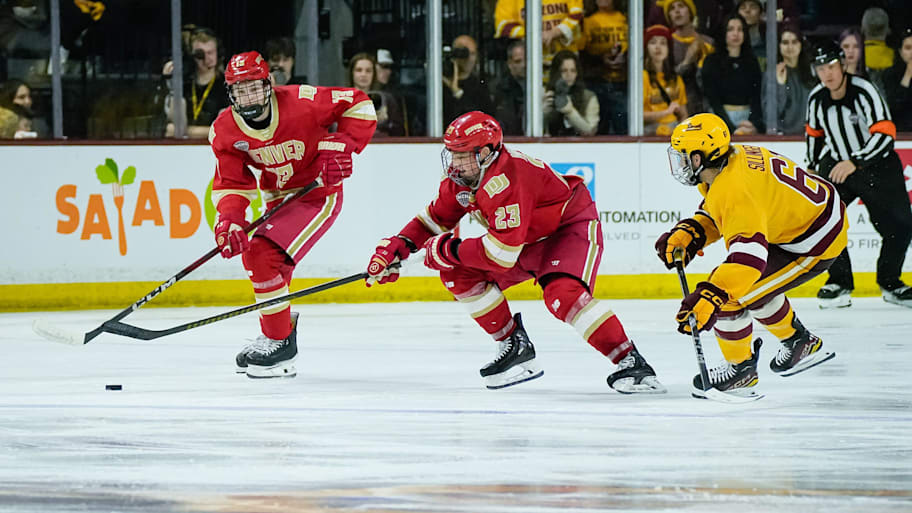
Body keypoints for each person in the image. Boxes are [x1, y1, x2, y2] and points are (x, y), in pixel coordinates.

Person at [364, 111, 665, 394]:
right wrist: (396, 248)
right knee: (456, 273)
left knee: (563, 295)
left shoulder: (506, 180)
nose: (455, 164)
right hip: (524, 240)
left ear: (485, 152)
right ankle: (514, 346)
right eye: (452, 154)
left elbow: (502, 255)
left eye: (463, 155)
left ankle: (632, 363)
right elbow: (432, 219)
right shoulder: (462, 180)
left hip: (566, 229)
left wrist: (446, 249)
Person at [211, 51, 377, 378]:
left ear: (269, 84)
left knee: (262, 255)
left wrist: (341, 145)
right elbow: (232, 182)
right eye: (239, 91)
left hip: (317, 194)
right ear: (231, 94)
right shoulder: (224, 129)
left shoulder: (303, 102)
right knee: (267, 263)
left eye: (254, 88)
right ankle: (277, 332)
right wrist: (229, 219)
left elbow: (360, 104)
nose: (248, 98)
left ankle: (279, 342)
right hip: (278, 199)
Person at [656, 113, 844, 398]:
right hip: (802, 222)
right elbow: (720, 208)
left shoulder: (736, 188)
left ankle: (741, 370)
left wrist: (710, 297)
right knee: (748, 288)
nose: (679, 163)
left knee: (730, 293)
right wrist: (693, 231)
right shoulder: (728, 163)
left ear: (699, 158)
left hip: (814, 239)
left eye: (683, 156)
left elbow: (748, 261)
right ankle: (798, 342)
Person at [806, 43, 912, 308]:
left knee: (900, 226)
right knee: (825, 220)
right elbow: (814, 135)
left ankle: (890, 283)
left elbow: (886, 132)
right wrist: (811, 167)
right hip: (838, 165)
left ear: (842, 64)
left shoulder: (864, 91)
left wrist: (856, 161)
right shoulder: (817, 98)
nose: (827, 73)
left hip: (878, 165)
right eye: (821, 68)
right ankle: (839, 281)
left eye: (831, 66)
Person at [700, 13, 764, 135]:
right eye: (730, 29)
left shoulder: (751, 61)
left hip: (746, 120)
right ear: (723, 32)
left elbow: (756, 96)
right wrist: (729, 128)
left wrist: (752, 123)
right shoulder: (711, 62)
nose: (736, 34)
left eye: (740, 29)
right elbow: (713, 99)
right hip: (718, 118)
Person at [163, 27, 230, 139]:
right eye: (200, 54)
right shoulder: (184, 84)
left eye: (210, 53)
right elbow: (169, 129)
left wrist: (185, 131)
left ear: (218, 53)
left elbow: (223, 132)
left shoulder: (227, 85)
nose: (206, 58)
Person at [580, 0, 628, 134]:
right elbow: (582, 53)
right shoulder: (588, 21)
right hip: (597, 82)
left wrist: (626, 58)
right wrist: (601, 59)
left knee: (623, 128)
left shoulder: (626, 19)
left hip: (623, 82)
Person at [494, 0, 585, 71]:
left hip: (566, 65)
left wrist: (555, 32)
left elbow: (577, 15)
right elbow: (502, 26)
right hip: (530, 66)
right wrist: (533, 34)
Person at [762, 24, 815, 135]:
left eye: (794, 42)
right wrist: (780, 85)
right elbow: (770, 116)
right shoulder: (771, 74)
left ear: (801, 44)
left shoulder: (812, 71)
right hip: (782, 137)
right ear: (779, 46)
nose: (790, 47)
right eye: (785, 42)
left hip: (808, 135)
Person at [664, 0, 714, 114]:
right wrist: (687, 62)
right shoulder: (666, 43)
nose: (677, 11)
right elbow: (666, 80)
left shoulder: (708, 42)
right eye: (672, 8)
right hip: (678, 109)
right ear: (669, 16)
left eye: (681, 6)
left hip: (706, 107)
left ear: (690, 12)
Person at [643, 24, 688, 136]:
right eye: (653, 42)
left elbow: (684, 114)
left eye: (663, 43)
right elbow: (638, 116)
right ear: (646, 47)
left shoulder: (676, 79)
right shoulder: (642, 77)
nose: (658, 47)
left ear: (668, 49)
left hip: (675, 131)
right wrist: (666, 113)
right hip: (651, 131)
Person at [442, 35, 495, 128]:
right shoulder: (438, 85)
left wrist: (457, 92)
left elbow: (480, 121)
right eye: (462, 53)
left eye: (472, 53)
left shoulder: (481, 86)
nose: (468, 58)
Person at [543, 50, 599, 136]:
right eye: (564, 70)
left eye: (573, 70)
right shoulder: (545, 94)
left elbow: (591, 131)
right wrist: (542, 112)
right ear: (556, 72)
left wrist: (570, 112)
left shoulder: (588, 97)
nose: (569, 75)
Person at [492, 40, 526, 136]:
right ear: (510, 64)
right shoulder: (499, 89)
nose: (524, 65)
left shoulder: (538, 85)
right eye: (518, 61)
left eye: (526, 60)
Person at [883, 28, 912, 132]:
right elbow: (894, 106)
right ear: (900, 51)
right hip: (901, 132)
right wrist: (908, 75)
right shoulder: (890, 74)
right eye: (908, 48)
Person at [736, 0, 766, 70]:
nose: (747, 10)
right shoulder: (731, 43)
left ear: (761, 13)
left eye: (753, 7)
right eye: (743, 7)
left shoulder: (769, 41)